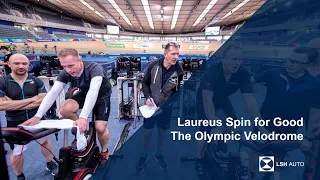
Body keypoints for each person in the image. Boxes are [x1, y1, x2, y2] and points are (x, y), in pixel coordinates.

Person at [21, 48, 112, 161]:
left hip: (101, 96)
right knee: (64, 109)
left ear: (79, 60)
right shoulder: (66, 73)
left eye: (71, 65)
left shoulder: (94, 68)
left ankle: (104, 150)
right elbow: (53, 93)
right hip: (84, 93)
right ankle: (84, 131)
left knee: (100, 128)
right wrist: (37, 116)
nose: (68, 70)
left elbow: (93, 91)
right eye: (64, 66)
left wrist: (83, 117)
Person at [195, 44, 264, 179]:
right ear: (224, 58)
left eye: (240, 60)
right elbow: (208, 101)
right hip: (205, 100)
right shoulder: (212, 72)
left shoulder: (243, 73)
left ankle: (225, 144)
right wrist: (214, 125)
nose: (237, 63)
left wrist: (259, 125)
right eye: (233, 59)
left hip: (222, 100)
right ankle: (199, 160)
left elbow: (249, 99)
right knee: (204, 136)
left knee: (236, 129)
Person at [251, 47, 320, 179]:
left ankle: (267, 175)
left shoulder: (314, 85)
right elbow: (248, 81)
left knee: (275, 157)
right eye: (289, 60)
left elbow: (314, 114)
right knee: (257, 150)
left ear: (307, 65)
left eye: (295, 62)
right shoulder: (273, 73)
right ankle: (251, 175)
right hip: (263, 124)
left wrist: (308, 138)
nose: (290, 64)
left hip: (288, 129)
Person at [0, 54, 58, 180]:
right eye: (16, 63)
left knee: (45, 142)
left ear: (28, 65)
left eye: (24, 63)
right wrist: (32, 100)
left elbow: (44, 101)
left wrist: (12, 103)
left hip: (37, 119)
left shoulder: (36, 81)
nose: (21, 66)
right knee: (16, 151)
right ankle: (20, 176)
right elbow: (1, 105)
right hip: (15, 122)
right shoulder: (3, 82)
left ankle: (49, 163)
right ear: (9, 64)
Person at [136, 42, 184, 174]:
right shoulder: (153, 65)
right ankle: (143, 155)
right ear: (165, 54)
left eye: (177, 54)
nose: (176, 57)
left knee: (162, 134)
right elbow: (144, 83)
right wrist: (148, 97)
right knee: (147, 134)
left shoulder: (179, 71)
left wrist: (163, 107)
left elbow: (177, 93)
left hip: (165, 110)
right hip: (150, 109)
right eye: (173, 54)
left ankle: (159, 154)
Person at [304, 38, 320, 180]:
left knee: (314, 144)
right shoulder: (304, 68)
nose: (311, 53)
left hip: (316, 114)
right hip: (299, 112)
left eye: (314, 50)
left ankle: (308, 170)